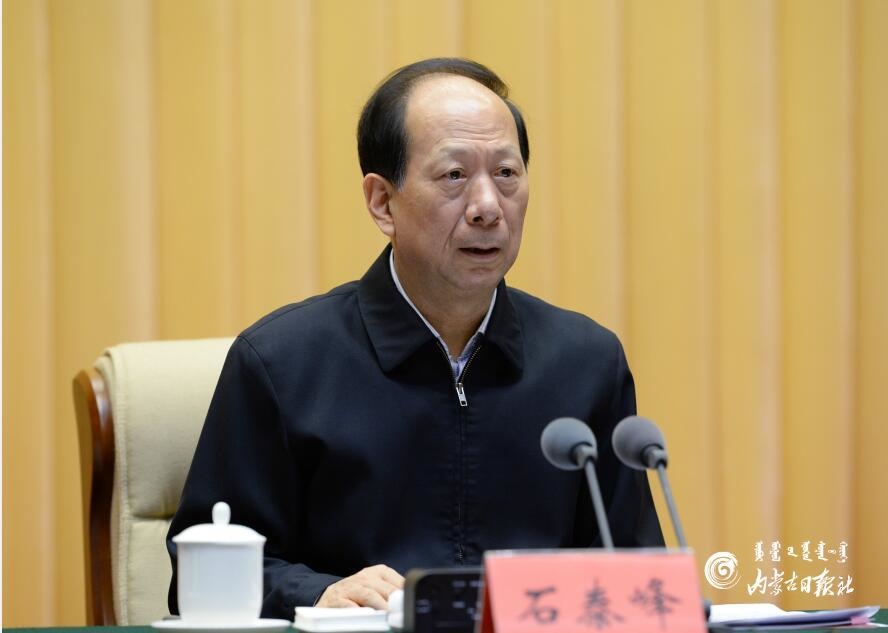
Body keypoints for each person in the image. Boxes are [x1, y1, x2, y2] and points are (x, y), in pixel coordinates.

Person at [167, 57, 663, 620]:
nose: (487, 206)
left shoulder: (586, 363)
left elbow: (633, 573)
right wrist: (318, 593)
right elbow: (198, 577)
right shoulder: (281, 363)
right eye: (454, 176)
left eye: (507, 173)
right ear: (383, 202)